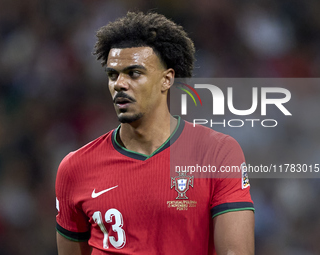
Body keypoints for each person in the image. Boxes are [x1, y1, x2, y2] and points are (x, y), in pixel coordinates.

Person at [55, 11, 255, 255]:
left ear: (167, 79)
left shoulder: (217, 153)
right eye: (113, 74)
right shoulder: (75, 167)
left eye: (134, 73)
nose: (119, 83)